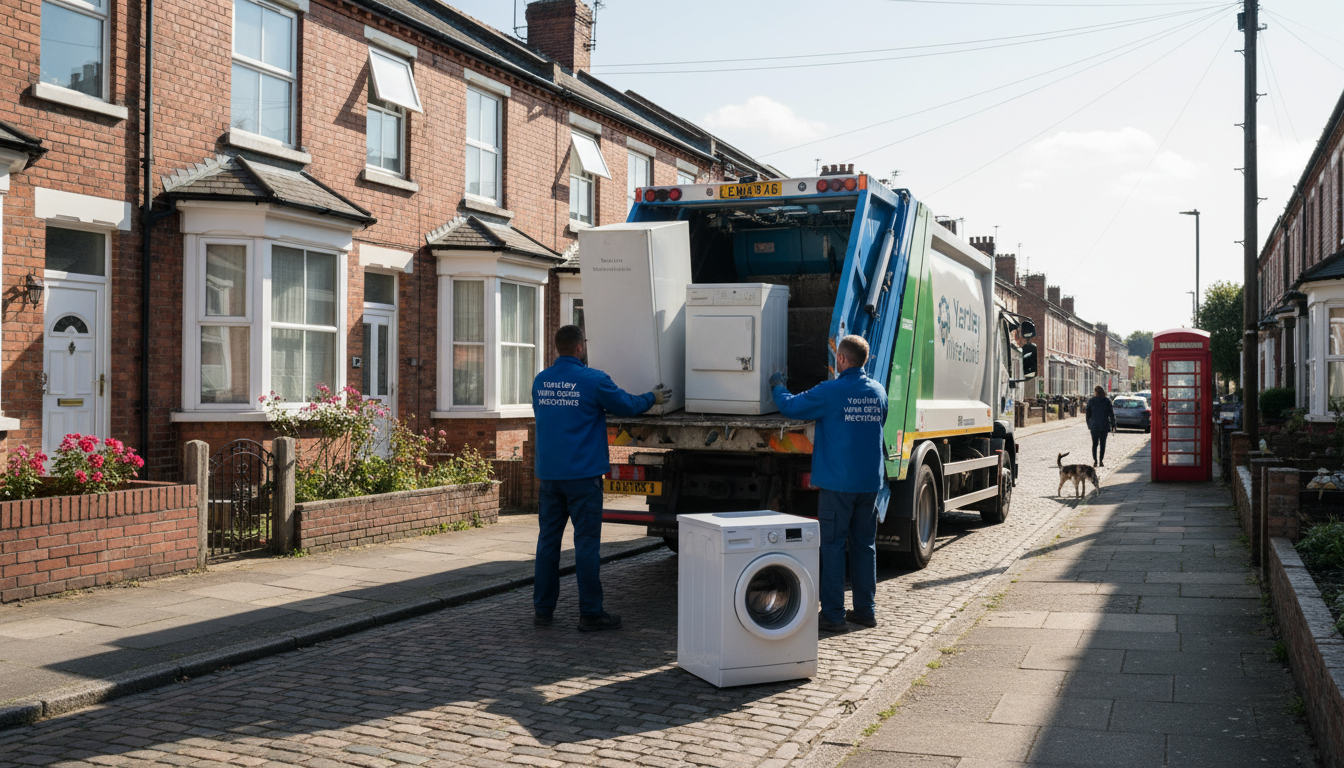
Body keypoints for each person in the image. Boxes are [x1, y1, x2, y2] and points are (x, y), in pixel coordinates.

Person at [532, 324, 671, 631]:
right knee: (585, 545)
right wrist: (653, 397)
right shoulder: (593, 380)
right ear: (580, 347)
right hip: (583, 476)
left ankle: (543, 610)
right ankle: (591, 613)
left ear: (558, 347)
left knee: (547, 544)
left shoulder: (540, 381)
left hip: (550, 477)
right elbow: (628, 405)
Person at [770, 335, 888, 633]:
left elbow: (791, 407)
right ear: (865, 360)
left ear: (842, 360)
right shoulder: (877, 391)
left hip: (838, 484)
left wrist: (776, 384)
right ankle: (865, 611)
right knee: (865, 546)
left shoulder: (831, 391)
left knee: (834, 548)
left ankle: (833, 616)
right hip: (869, 484)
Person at [1085, 385, 1116, 467]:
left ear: (1096, 392)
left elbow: (1088, 414)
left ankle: (1095, 461)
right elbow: (1111, 414)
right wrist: (1113, 425)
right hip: (1104, 425)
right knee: (1103, 444)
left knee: (1094, 444)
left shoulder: (1091, 401)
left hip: (1094, 425)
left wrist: (1089, 424)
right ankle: (1101, 461)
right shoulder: (1107, 401)